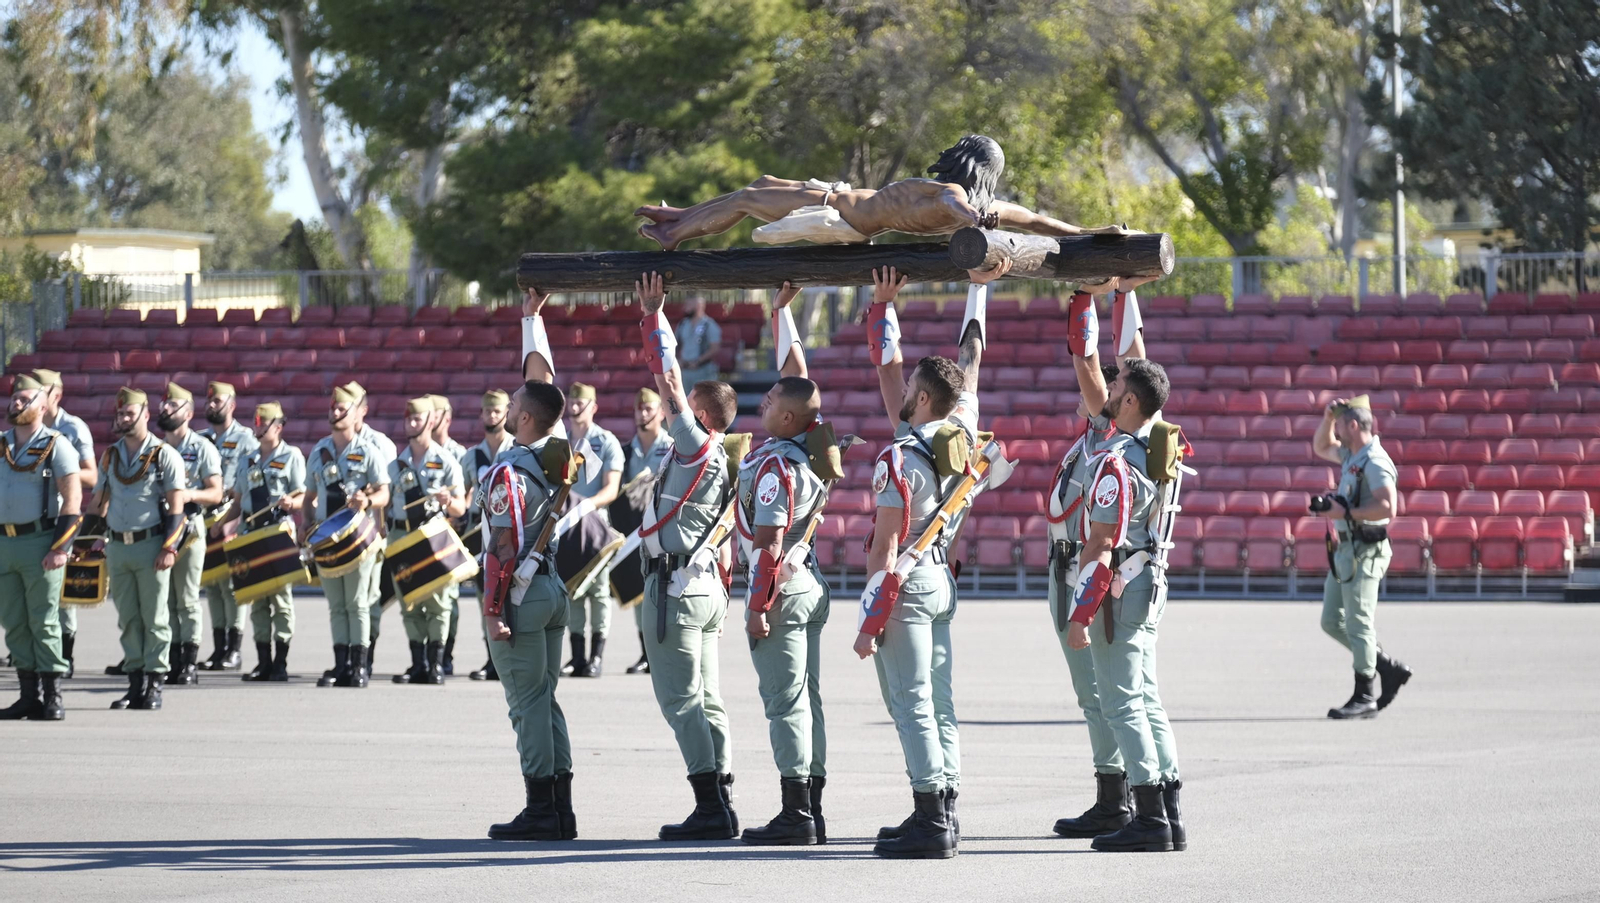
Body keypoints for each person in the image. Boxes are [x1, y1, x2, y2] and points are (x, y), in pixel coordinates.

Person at [851, 262, 1005, 859]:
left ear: (920, 398)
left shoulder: (898, 457)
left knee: (909, 700)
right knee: (938, 700)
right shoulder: (961, 433)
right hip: (941, 576)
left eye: (910, 386)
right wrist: (978, 288)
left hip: (906, 582)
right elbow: (971, 360)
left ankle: (929, 818)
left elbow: (886, 547)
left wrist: (870, 618)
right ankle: (946, 806)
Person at [1053, 276, 1183, 852]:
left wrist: (1081, 613)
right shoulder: (1153, 440)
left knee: (1124, 699)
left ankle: (1149, 817)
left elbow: (1101, 546)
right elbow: (1136, 363)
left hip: (1119, 585)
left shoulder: (1116, 460)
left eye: (1119, 381)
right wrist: (1121, 299)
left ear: (1129, 400)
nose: (1110, 382)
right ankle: (1167, 812)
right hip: (1146, 579)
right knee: (1146, 696)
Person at [633, 271, 744, 839]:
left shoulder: (696, 444)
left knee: (682, 701)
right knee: (708, 698)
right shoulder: (725, 454)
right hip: (704, 589)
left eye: (687, 409)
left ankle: (708, 806)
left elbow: (669, 381)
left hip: (676, 589)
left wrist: (655, 316)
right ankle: (722, 799)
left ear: (702, 418)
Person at [635, 135, 1124, 250]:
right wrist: (1089, 232)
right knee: (760, 184)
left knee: (745, 199)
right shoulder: (990, 203)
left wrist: (976, 221)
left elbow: (957, 208)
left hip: (834, 212)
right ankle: (683, 214)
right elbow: (1040, 221)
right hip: (838, 195)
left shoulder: (955, 195)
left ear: (968, 161)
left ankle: (676, 233)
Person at [735, 282, 832, 846]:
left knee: (785, 703)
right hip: (807, 582)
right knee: (807, 700)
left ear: (790, 418)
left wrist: (756, 608)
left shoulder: (776, 466)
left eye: (771, 402)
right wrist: (782, 313)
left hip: (780, 589)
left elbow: (769, 544)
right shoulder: (810, 446)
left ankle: (795, 812)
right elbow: (799, 378)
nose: (763, 402)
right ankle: (810, 808)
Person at [481, 287, 576, 841]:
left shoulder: (508, 469)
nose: (509, 403)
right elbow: (544, 384)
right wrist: (530, 322)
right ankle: (560, 807)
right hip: (552, 587)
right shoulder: (555, 450)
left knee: (527, 705)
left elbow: (500, 547)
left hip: (518, 593)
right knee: (547, 698)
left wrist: (494, 609)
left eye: (514, 401)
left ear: (521, 417)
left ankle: (541, 808)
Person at [1312, 396, 1413, 719]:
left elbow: (1388, 507)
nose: (1336, 429)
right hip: (1346, 550)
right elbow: (1320, 446)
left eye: (1340, 423)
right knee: (1331, 620)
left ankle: (1365, 694)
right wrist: (1328, 417)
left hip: (1365, 550)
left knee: (1359, 624)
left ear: (1353, 425)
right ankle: (1386, 666)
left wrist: (1347, 512)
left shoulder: (1375, 461)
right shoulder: (1352, 454)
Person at [91, 387, 187, 711]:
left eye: (129, 413)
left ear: (146, 414)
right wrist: (91, 538)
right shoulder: (110, 456)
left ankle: (155, 683)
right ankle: (134, 683)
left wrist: (170, 548)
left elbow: (177, 507)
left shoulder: (164, 455)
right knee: (128, 619)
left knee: (155, 617)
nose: (123, 418)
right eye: (120, 414)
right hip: (118, 547)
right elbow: (98, 502)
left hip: (150, 545)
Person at [0, 373, 85, 721]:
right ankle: (27, 695)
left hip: (40, 543)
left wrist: (60, 547)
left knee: (44, 620)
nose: (17, 403)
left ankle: (52, 695)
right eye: (14, 398)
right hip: (5, 543)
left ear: (43, 405)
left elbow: (73, 498)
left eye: (25, 399)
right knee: (14, 623)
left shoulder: (56, 444)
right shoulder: (2, 443)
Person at [304, 383, 393, 688]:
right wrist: (306, 523)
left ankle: (359, 666)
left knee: (357, 603)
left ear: (357, 414)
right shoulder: (319, 450)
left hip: (357, 540)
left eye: (343, 408)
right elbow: (309, 495)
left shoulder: (368, 451)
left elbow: (384, 494)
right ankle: (340, 665)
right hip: (327, 541)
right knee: (336, 605)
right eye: (333, 408)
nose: (336, 412)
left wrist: (367, 501)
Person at [386, 397, 468, 685]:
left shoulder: (446, 461)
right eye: (408, 418)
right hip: (401, 536)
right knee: (409, 601)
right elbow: (386, 503)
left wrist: (449, 501)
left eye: (417, 419)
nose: (411, 423)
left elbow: (461, 508)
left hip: (432, 537)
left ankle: (435, 663)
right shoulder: (395, 464)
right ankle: (417, 663)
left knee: (438, 603)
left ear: (431, 422)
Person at [231, 403, 306, 682]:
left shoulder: (291, 456)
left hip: (277, 532)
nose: (258, 426)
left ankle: (280, 662)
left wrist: (291, 502)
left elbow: (303, 497)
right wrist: (220, 528)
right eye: (257, 421)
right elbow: (239, 502)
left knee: (281, 600)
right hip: (250, 532)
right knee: (258, 599)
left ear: (278, 427)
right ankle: (262, 661)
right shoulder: (247, 460)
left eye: (264, 422)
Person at [157, 382, 224, 687]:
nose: (166, 409)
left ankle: (188, 662)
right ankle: (170, 658)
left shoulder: (202, 447)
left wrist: (188, 494)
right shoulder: (155, 449)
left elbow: (216, 493)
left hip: (189, 528)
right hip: (160, 527)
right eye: (165, 405)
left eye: (173, 405)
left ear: (189, 412)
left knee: (186, 597)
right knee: (166, 599)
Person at [31, 369, 96, 678]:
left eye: (39, 390)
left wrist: (60, 470)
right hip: (30, 520)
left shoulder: (72, 428)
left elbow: (92, 475)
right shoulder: (23, 428)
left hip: (60, 517)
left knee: (60, 594)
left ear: (55, 395)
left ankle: (64, 656)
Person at [560, 381, 623, 677]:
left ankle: (596, 656)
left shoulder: (606, 441)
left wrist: (586, 505)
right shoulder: (559, 440)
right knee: (570, 589)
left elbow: (611, 489)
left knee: (598, 591)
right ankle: (576, 656)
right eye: (571, 402)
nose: (574, 408)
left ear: (593, 407)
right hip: (565, 525)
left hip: (595, 524)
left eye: (580, 403)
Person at [198, 381, 258, 671]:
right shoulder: (200, 439)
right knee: (212, 585)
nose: (211, 405)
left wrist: (234, 519)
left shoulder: (246, 439)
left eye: (217, 401)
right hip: (204, 518)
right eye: (209, 401)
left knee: (233, 584)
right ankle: (219, 647)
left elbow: (253, 480)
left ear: (232, 406)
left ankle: (234, 649)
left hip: (231, 516)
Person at [464, 389, 515, 682]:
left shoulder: (515, 450)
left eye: (497, 411)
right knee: (485, 596)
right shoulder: (472, 456)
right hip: (480, 533)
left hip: (507, 531)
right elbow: (463, 497)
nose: (492, 416)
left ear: (506, 413)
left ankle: (510, 655)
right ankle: (492, 658)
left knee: (509, 593)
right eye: (487, 411)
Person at [621, 386, 673, 675]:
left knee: (664, 591)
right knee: (640, 594)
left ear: (661, 413)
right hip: (636, 533)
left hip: (663, 529)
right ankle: (646, 653)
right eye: (638, 409)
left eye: (648, 408)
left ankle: (664, 652)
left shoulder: (671, 447)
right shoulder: (627, 450)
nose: (642, 414)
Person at [427, 395, 469, 676]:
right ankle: (425, 657)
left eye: (436, 414)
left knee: (448, 600)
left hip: (451, 531)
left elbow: (465, 495)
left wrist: (452, 518)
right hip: (426, 532)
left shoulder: (458, 454)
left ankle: (446, 653)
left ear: (447, 419)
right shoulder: (421, 453)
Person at [675, 297, 723, 386]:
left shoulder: (709, 325)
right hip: (685, 371)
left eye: (689, 305)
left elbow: (715, 348)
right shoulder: (682, 324)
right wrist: (678, 360)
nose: (685, 308)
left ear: (699, 306)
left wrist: (698, 361)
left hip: (703, 370)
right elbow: (675, 345)